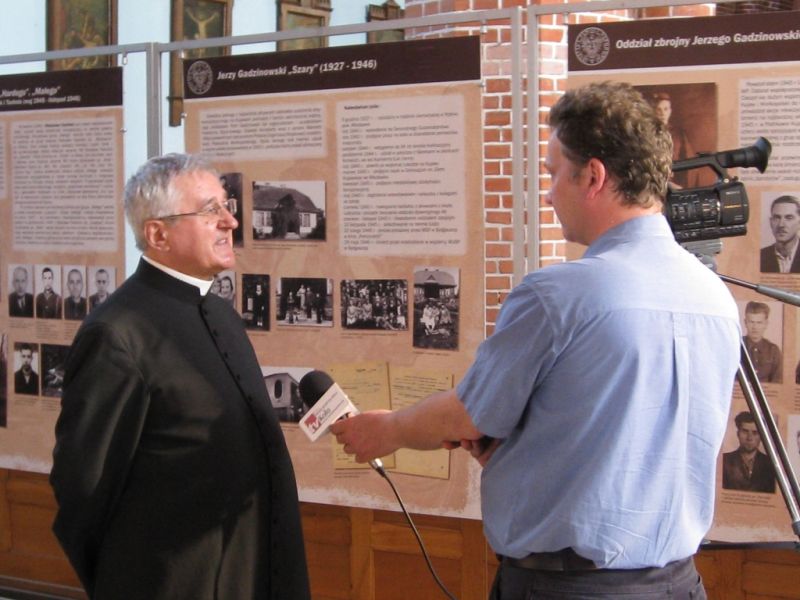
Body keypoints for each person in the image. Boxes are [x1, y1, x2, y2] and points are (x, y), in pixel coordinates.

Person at [332, 82, 741, 599]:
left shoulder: (558, 295)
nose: (547, 193)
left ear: (593, 176)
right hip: (678, 585)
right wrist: (528, 451)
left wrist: (389, 429)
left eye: (553, 173)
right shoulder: (714, 295)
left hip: (569, 589)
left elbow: (469, 418)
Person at [50, 154, 310, 600]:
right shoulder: (117, 333)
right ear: (158, 234)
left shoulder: (221, 314)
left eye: (227, 206)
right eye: (210, 210)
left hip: (256, 572)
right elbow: (83, 489)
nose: (230, 221)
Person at [722, 411, 776, 493]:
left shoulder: (771, 463)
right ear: (738, 434)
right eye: (745, 431)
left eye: (755, 433)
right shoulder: (724, 460)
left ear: (761, 436)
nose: (749, 438)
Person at [742, 301, 782, 383]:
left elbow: (778, 381)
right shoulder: (736, 346)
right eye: (751, 322)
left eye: (759, 323)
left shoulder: (773, 351)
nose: (755, 327)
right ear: (745, 322)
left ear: (766, 324)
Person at [760, 195, 800, 273]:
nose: (781, 224)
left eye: (789, 218)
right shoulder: (761, 256)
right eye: (777, 217)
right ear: (770, 222)